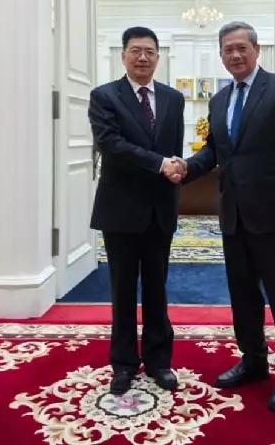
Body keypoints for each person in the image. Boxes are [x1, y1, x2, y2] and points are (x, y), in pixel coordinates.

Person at [174, 20, 275, 412]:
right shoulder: (220, 100)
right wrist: (185, 168)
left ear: (257, 50)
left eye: (242, 47)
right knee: (243, 296)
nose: (235, 55)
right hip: (233, 216)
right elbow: (214, 152)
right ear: (221, 55)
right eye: (228, 49)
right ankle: (253, 361)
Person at [87, 26, 187, 396]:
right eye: (135, 51)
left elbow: (173, 148)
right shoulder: (104, 96)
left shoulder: (173, 98)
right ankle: (124, 364)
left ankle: (159, 361)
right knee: (123, 290)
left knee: (158, 289)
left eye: (149, 51)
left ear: (158, 57)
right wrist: (161, 164)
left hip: (160, 208)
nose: (142, 57)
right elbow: (111, 144)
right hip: (120, 209)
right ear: (123, 55)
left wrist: (174, 168)